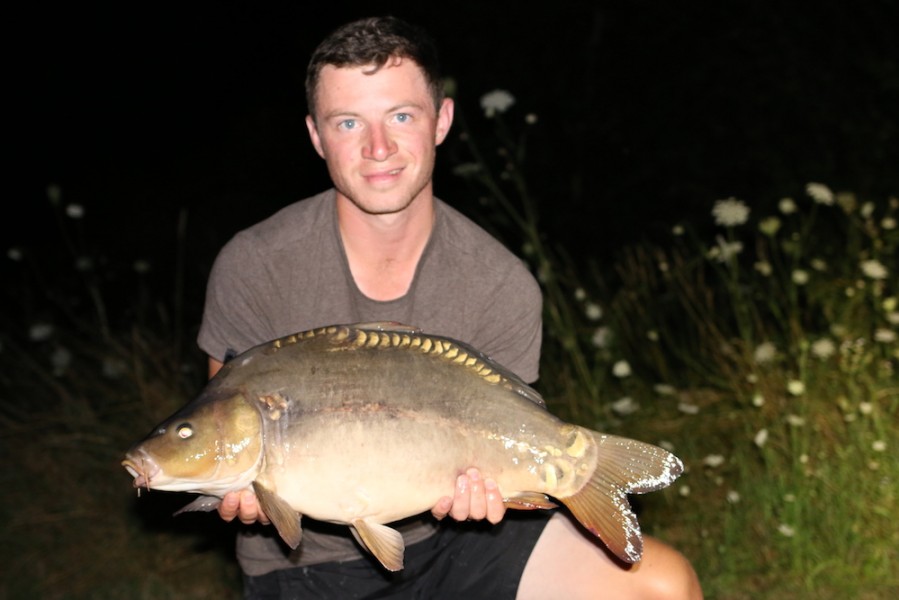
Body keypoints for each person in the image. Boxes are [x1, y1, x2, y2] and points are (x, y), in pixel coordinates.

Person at [198, 15, 702, 599]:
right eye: (348, 122)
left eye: (402, 116)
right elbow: (223, 426)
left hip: (461, 541)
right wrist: (245, 491)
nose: (378, 147)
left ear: (442, 120)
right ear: (316, 136)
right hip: (305, 565)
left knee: (661, 586)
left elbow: (507, 424)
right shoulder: (255, 265)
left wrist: (497, 489)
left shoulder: (500, 283)